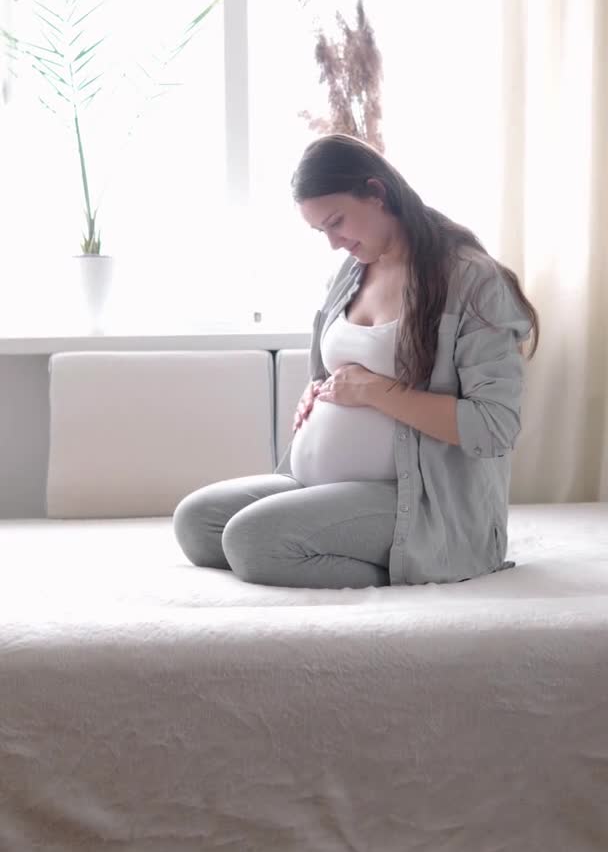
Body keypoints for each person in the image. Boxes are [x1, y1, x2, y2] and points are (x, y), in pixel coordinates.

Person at [173, 134, 539, 589]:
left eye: (337, 222)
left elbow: (494, 425)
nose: (332, 242)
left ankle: (426, 561)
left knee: (251, 541)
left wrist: (375, 392)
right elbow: (337, 371)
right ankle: (316, 538)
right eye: (320, 231)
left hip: (417, 499)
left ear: (377, 192)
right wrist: (320, 391)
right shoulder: (351, 270)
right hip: (317, 483)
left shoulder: (471, 281)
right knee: (196, 523)